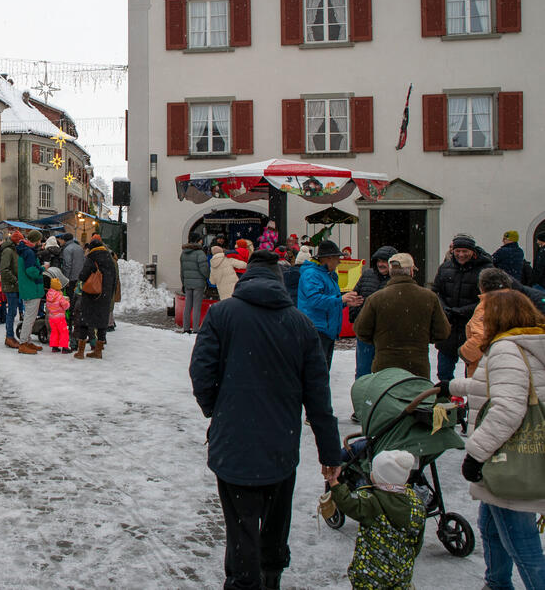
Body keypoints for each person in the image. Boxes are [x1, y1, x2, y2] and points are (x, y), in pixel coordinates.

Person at [190, 250, 341, 590]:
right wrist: (330, 454)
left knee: (241, 526)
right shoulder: (300, 324)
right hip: (280, 443)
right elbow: (319, 397)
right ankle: (270, 576)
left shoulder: (222, 314)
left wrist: (217, 408)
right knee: (275, 522)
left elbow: (201, 372)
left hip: (234, 443)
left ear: (246, 278)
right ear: (279, 281)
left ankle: (243, 581)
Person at [446, 289, 545, 590]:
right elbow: (495, 385)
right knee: (490, 527)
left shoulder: (505, 349)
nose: (481, 322)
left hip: (507, 457)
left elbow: (507, 409)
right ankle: (496, 582)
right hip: (523, 451)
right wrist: (450, 386)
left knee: (519, 537)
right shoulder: (531, 342)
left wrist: (475, 455)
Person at [329, 450, 426, 590]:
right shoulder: (416, 504)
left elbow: (347, 502)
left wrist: (334, 484)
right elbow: (418, 540)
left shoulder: (372, 502)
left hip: (371, 573)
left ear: (378, 477)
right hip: (401, 571)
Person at [353, 253, 450, 379]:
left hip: (385, 366)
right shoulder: (429, 298)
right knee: (415, 397)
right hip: (417, 367)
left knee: (387, 397)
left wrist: (381, 340)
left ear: (391, 272)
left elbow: (361, 330)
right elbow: (442, 332)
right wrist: (421, 337)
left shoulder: (376, 299)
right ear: (411, 271)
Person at [433, 234, 493, 381]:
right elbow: (436, 291)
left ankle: (470, 399)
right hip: (449, 324)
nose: (460, 254)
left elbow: (489, 298)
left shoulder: (485, 270)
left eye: (464, 251)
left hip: (472, 325)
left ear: (473, 252)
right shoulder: (445, 267)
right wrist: (444, 308)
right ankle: (446, 396)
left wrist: (463, 311)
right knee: (444, 370)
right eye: (458, 251)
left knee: (473, 370)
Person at [297, 240, 362, 368]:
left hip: (326, 331)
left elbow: (328, 301)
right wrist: (341, 300)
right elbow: (315, 300)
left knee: (322, 373)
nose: (340, 262)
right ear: (328, 258)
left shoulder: (328, 275)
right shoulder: (312, 275)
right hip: (316, 331)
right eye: (338, 258)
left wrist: (345, 303)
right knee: (316, 374)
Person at [348, 245, 398, 380]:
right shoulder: (368, 274)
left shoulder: (396, 280)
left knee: (383, 372)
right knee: (363, 371)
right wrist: (356, 318)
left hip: (385, 333)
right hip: (365, 331)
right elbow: (355, 295)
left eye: (385, 261)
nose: (381, 264)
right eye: (379, 261)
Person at [73, 237, 117, 360]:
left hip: (91, 294)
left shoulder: (92, 258)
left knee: (84, 321)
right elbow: (114, 278)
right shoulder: (109, 258)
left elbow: (82, 275)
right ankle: (98, 351)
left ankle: (80, 352)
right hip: (105, 295)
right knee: (102, 323)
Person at [15, 230, 46, 354]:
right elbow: (31, 271)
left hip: (28, 287)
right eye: (39, 239)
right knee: (30, 317)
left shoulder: (25, 250)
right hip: (31, 288)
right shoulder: (29, 252)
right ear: (36, 240)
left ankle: (27, 341)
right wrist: (43, 269)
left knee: (30, 316)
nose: (40, 242)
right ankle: (23, 343)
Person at [58, 233, 84, 347]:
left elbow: (67, 265)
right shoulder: (79, 247)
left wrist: (65, 279)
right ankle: (76, 324)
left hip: (71, 279)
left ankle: (69, 326)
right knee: (77, 303)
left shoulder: (67, 249)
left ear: (64, 240)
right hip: (79, 278)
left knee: (69, 303)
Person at [179, 237, 210, 333]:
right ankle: (196, 329)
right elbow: (204, 269)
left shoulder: (183, 253)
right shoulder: (200, 253)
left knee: (187, 306)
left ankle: (186, 328)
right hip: (199, 283)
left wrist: (184, 282)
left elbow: (182, 271)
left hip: (188, 283)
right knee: (197, 306)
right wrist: (207, 277)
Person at [45, 275, 71, 353]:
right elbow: (65, 306)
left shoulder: (49, 294)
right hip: (59, 318)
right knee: (64, 332)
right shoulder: (59, 296)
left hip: (51, 317)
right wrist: (68, 302)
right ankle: (64, 347)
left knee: (54, 332)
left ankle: (54, 346)